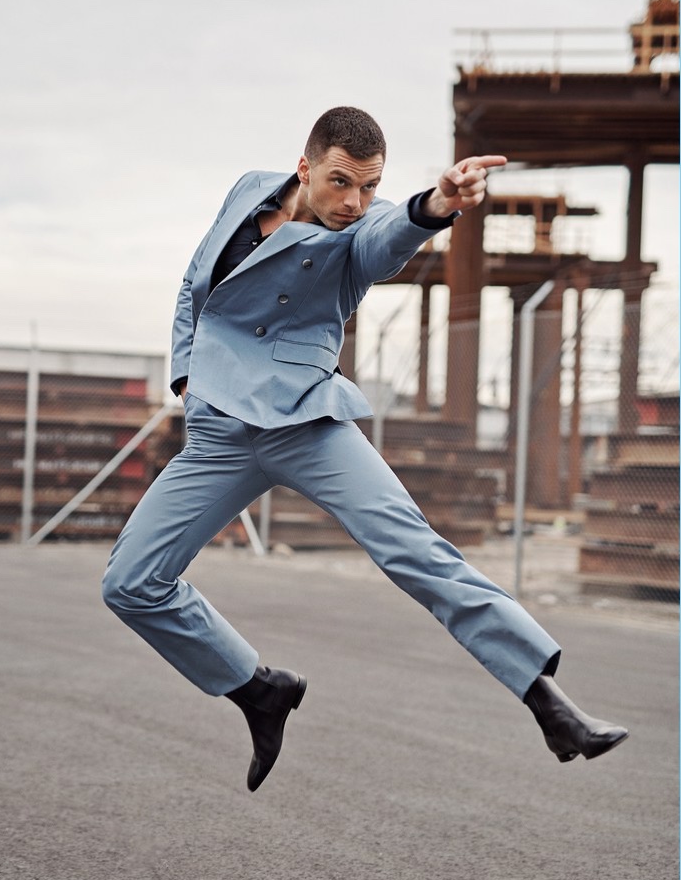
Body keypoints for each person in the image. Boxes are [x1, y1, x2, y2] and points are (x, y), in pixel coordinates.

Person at [102, 106, 628, 791]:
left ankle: (547, 701)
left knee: (414, 549)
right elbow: (192, 283)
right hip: (220, 433)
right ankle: (258, 689)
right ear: (304, 167)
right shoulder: (248, 190)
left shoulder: (355, 239)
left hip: (305, 423)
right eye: (341, 182)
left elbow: (391, 233)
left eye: (370, 186)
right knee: (129, 582)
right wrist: (185, 376)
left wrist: (436, 203)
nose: (354, 202)